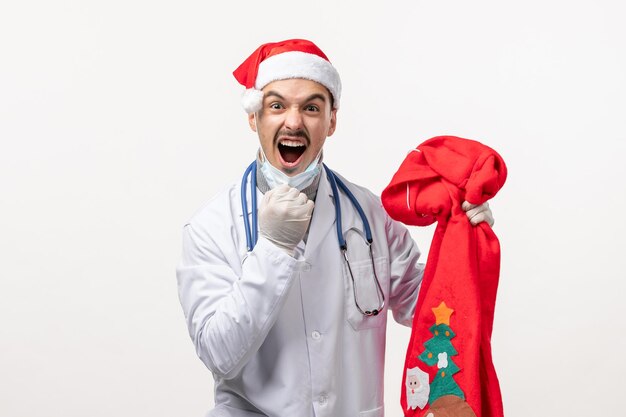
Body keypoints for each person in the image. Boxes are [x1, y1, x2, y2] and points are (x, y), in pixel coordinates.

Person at [176, 39, 494, 417]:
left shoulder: (371, 215)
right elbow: (218, 355)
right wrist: (274, 249)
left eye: (311, 107)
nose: (293, 122)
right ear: (253, 117)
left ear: (332, 121)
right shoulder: (211, 227)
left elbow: (430, 308)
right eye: (276, 105)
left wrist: (463, 240)